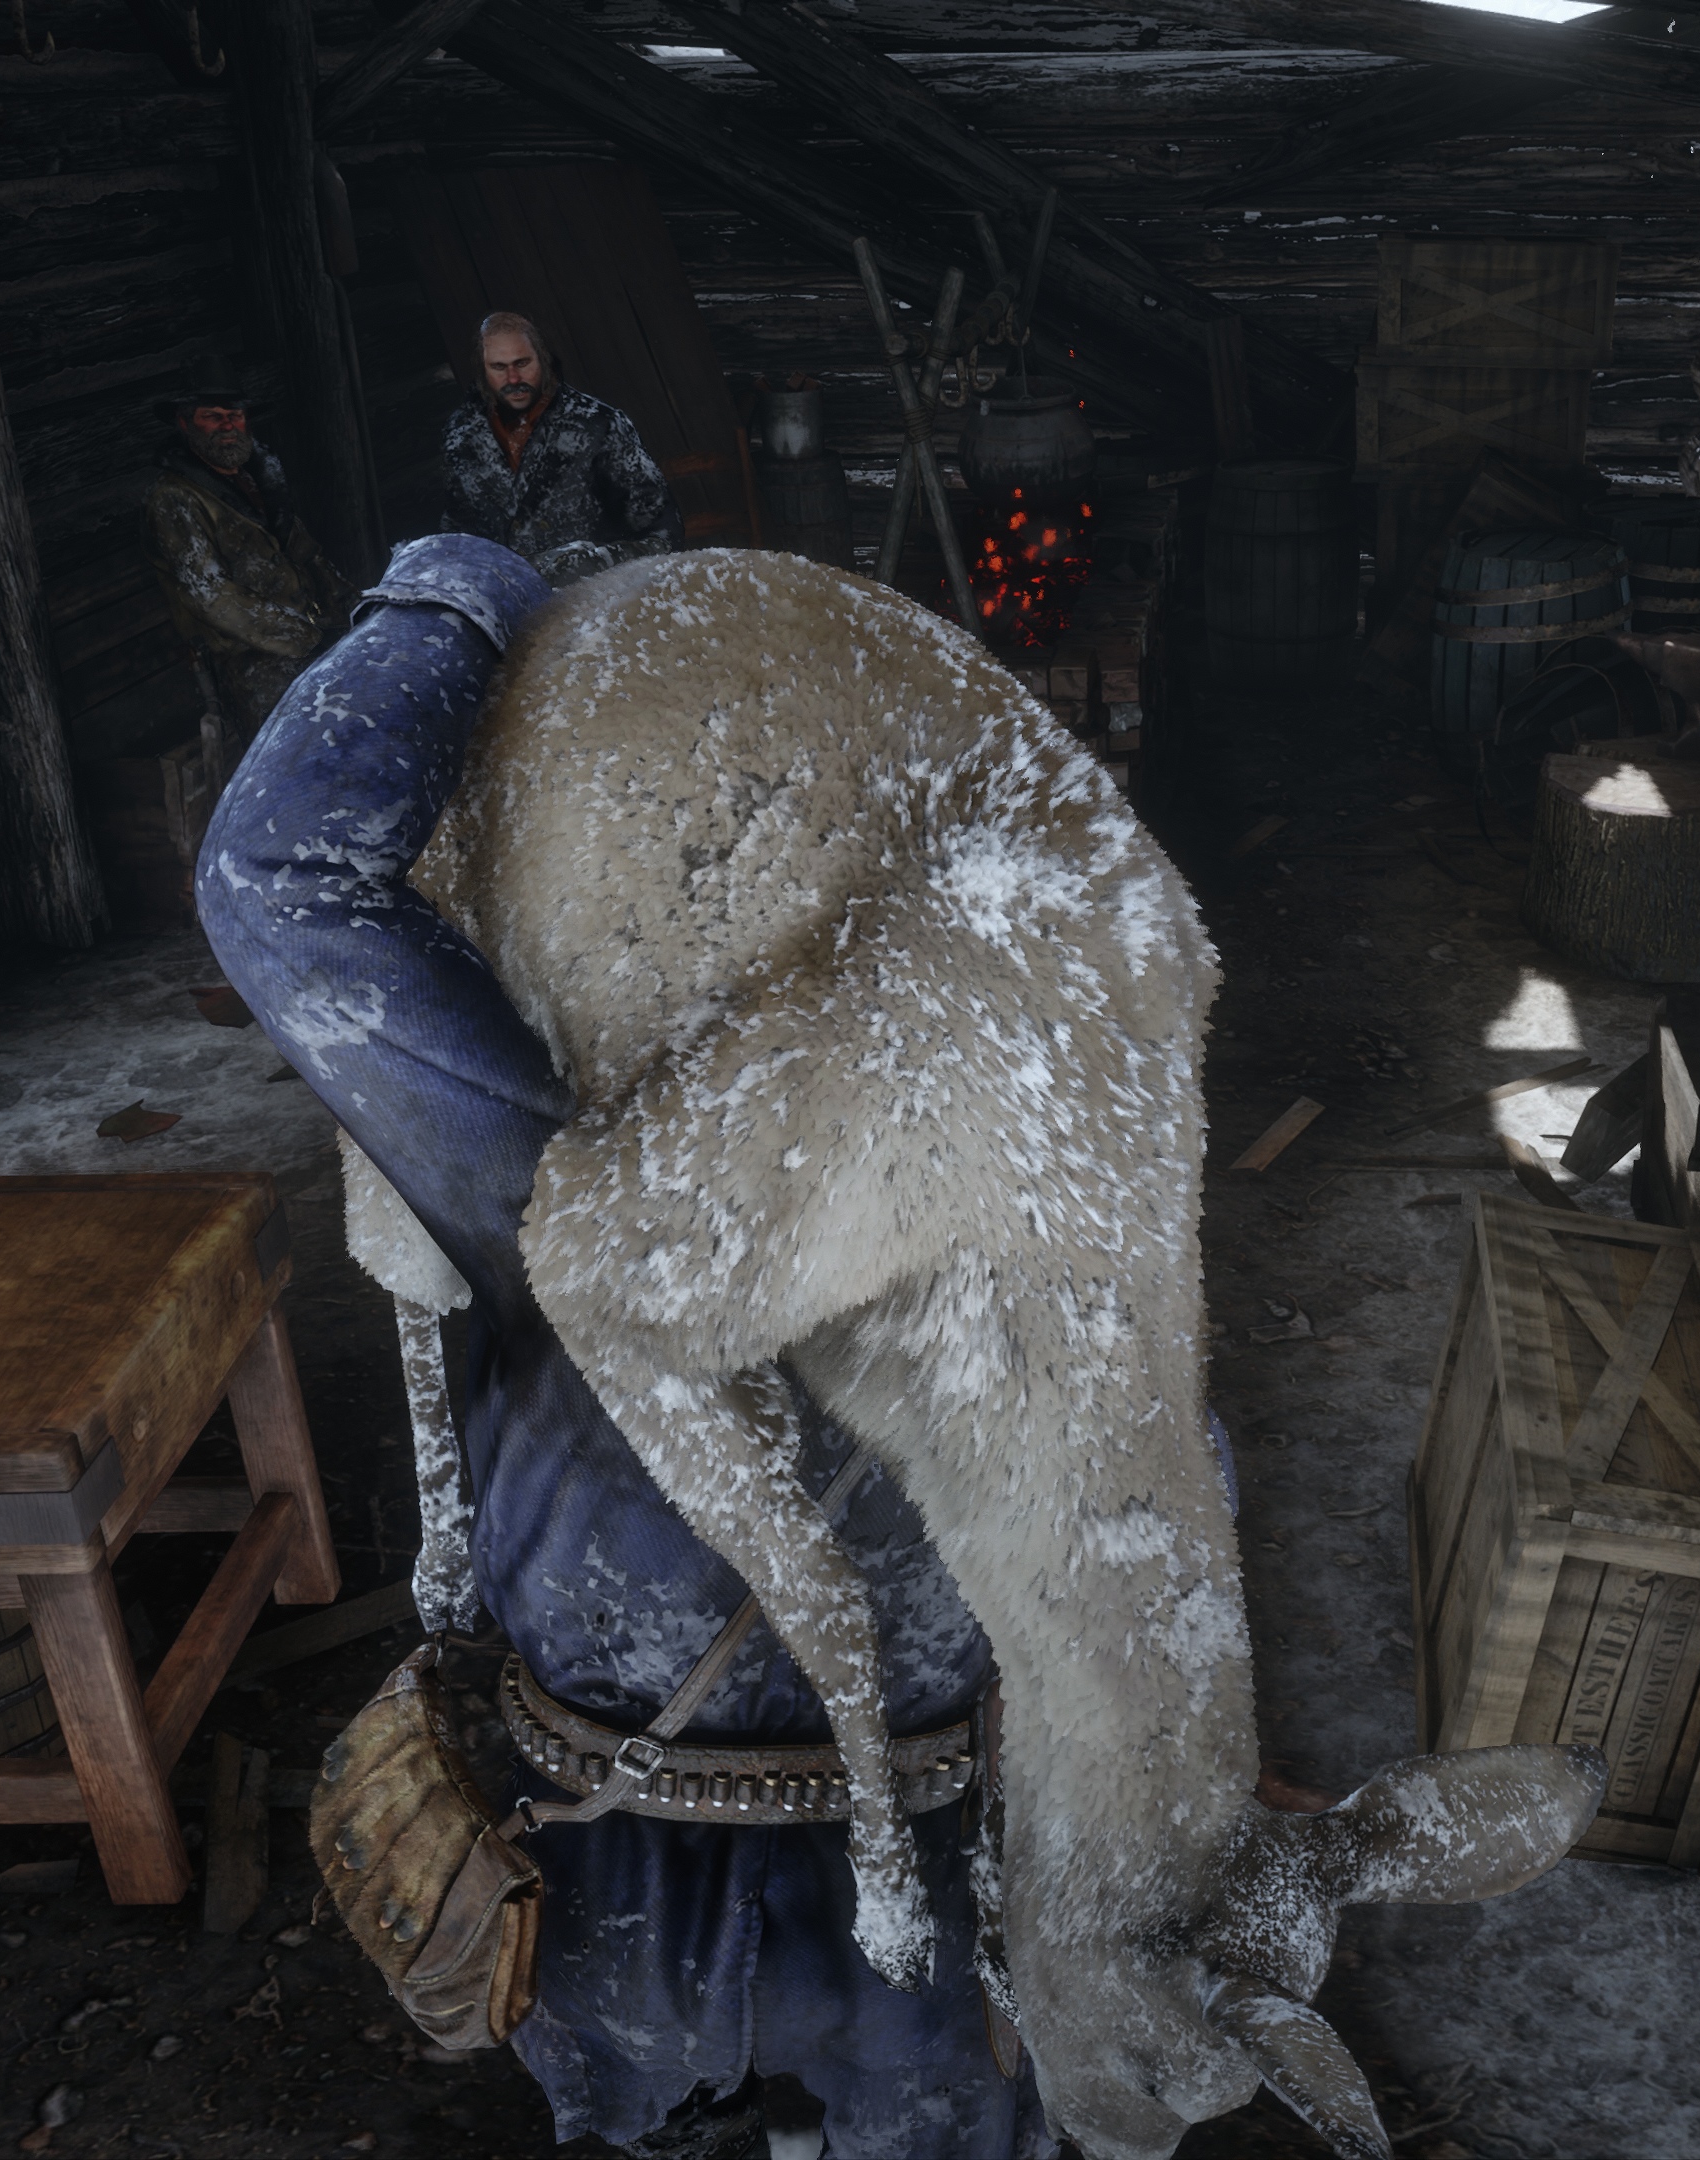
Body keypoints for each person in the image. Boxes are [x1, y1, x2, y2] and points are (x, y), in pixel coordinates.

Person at [195, 538, 1043, 2159]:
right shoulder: (1023, 1132)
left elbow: (279, 876)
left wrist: (460, 587)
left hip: (681, 1873)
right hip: (824, 1878)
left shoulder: (549, 1163)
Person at [142, 385, 351, 773]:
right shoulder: (175, 498)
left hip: (316, 633)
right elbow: (211, 596)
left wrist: (356, 606)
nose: (227, 426)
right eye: (212, 416)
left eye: (235, 416)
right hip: (252, 659)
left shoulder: (259, 479)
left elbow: (307, 553)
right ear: (185, 424)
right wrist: (305, 638)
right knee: (300, 762)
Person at [443, 313, 677, 583]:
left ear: (542, 358)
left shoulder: (599, 424)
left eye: (522, 363)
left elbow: (663, 536)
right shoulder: (461, 436)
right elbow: (458, 535)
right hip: (509, 600)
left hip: (601, 596)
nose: (513, 378)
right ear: (483, 371)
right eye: (499, 367)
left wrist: (593, 562)